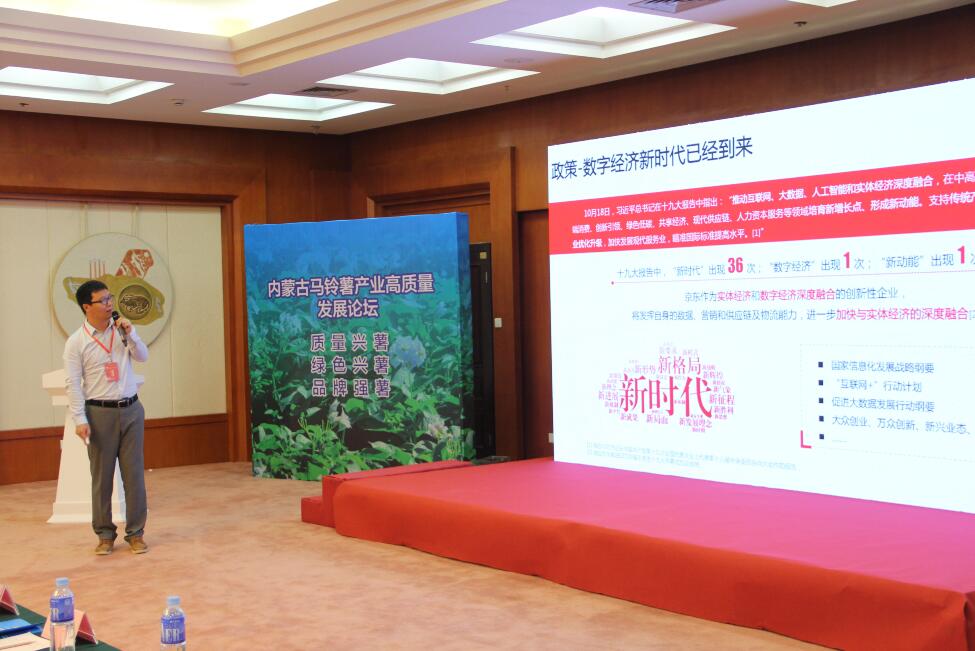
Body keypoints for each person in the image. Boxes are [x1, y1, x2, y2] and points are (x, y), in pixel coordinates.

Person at [63, 280, 150, 555]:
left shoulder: (122, 330)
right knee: (102, 477)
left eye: (110, 298)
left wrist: (132, 334)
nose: (109, 303)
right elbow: (72, 383)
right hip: (99, 412)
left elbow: (143, 356)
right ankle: (104, 534)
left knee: (134, 475)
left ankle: (136, 533)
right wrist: (80, 419)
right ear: (86, 307)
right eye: (102, 300)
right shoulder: (76, 342)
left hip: (131, 409)